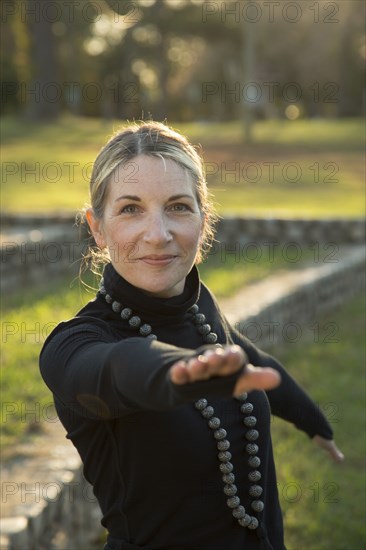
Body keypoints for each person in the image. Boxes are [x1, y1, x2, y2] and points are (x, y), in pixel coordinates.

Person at [40, 122, 344, 550]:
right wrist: (178, 370)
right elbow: (113, 368)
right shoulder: (76, 344)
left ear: (204, 218)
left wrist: (313, 420)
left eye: (178, 207)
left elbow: (252, 360)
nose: (158, 234)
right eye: (131, 209)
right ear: (97, 227)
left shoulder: (201, 309)